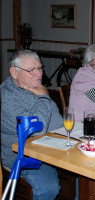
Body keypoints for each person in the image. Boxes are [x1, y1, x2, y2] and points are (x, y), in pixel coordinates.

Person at [0, 50, 61, 199]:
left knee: (87, 165)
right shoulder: (6, 97)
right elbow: (37, 130)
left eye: (40, 68)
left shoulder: (34, 87)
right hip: (22, 154)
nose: (39, 74)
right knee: (48, 188)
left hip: (52, 144)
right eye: (31, 70)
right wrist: (45, 97)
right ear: (14, 72)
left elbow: (55, 118)